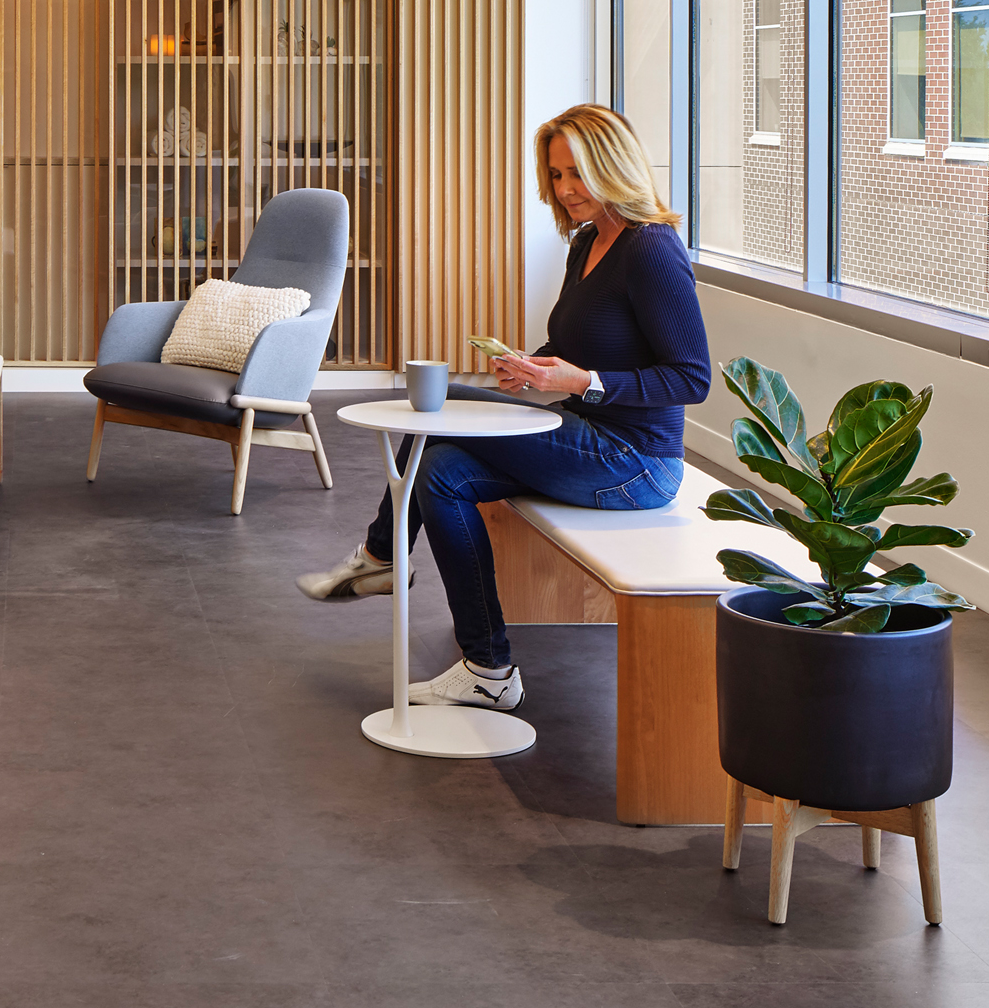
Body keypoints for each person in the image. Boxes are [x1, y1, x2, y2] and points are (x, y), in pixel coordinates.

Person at [296, 102, 707, 713]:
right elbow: (573, 348)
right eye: (557, 175)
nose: (566, 189)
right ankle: (488, 667)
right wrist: (534, 366)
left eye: (578, 172)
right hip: (579, 437)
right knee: (441, 474)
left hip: (635, 463)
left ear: (615, 166)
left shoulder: (652, 249)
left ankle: (380, 556)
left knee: (445, 405)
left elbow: (691, 378)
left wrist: (584, 382)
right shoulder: (588, 244)